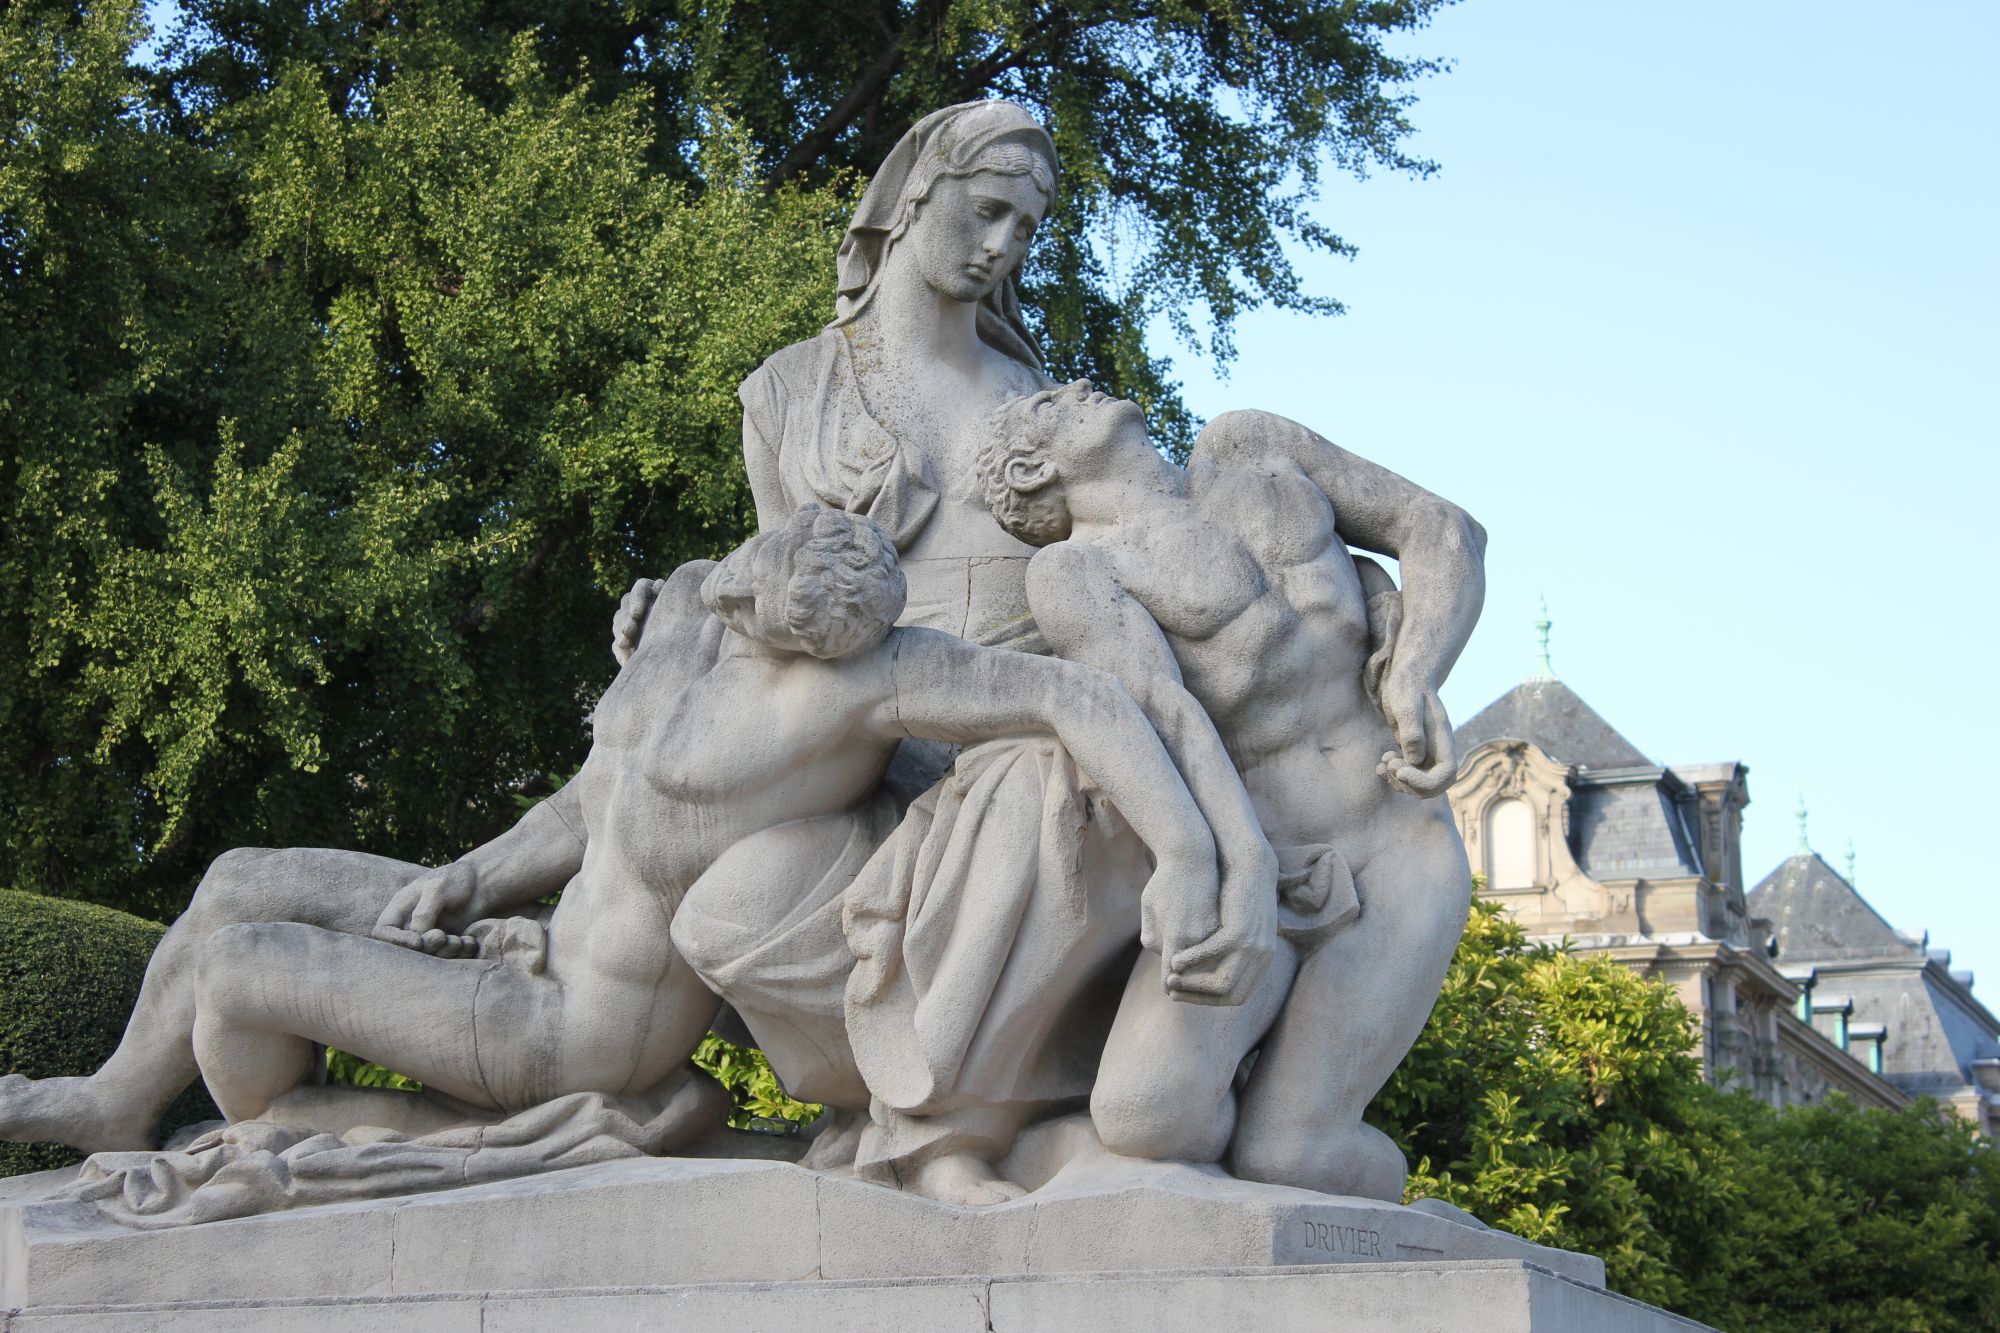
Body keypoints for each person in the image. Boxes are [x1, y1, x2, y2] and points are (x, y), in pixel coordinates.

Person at [2, 510, 1225, 1185]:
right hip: (538, 926)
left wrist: (1187, 855)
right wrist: (471, 875)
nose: (806, 638)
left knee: (238, 969)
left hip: (581, 1023)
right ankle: (116, 1099)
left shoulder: (868, 677)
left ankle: (327, 1119)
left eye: (832, 637)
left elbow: (1074, 699)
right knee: (237, 880)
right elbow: (595, 802)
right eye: (788, 612)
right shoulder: (688, 608)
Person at [722, 101, 1280, 1201]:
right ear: (913, 196)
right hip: (871, 737)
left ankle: (942, 1134)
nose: (1002, 247)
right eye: (985, 212)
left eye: (1025, 229)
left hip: (1033, 718)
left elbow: (1129, 569)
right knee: (727, 904)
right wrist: (699, 594)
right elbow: (779, 584)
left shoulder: (1036, 400)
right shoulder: (788, 391)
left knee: (1050, 778)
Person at [976, 379, 1486, 1200]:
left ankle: (1423, 1228)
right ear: (1032, 470)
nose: (1074, 386)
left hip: (1397, 845)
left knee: (1293, 1154)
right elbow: (1161, 714)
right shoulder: (1077, 571)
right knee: (1145, 1117)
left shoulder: (1253, 448)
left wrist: (1418, 667)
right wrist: (1241, 866)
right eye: (1048, 408)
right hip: (1269, 860)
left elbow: (1442, 529)